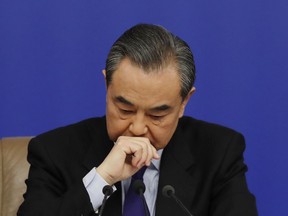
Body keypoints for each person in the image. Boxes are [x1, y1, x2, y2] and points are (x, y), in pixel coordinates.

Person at [17, 23, 258, 216]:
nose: (138, 128)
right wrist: (103, 178)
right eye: (125, 109)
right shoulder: (54, 152)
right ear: (106, 86)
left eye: (157, 115)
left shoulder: (218, 152)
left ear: (184, 102)